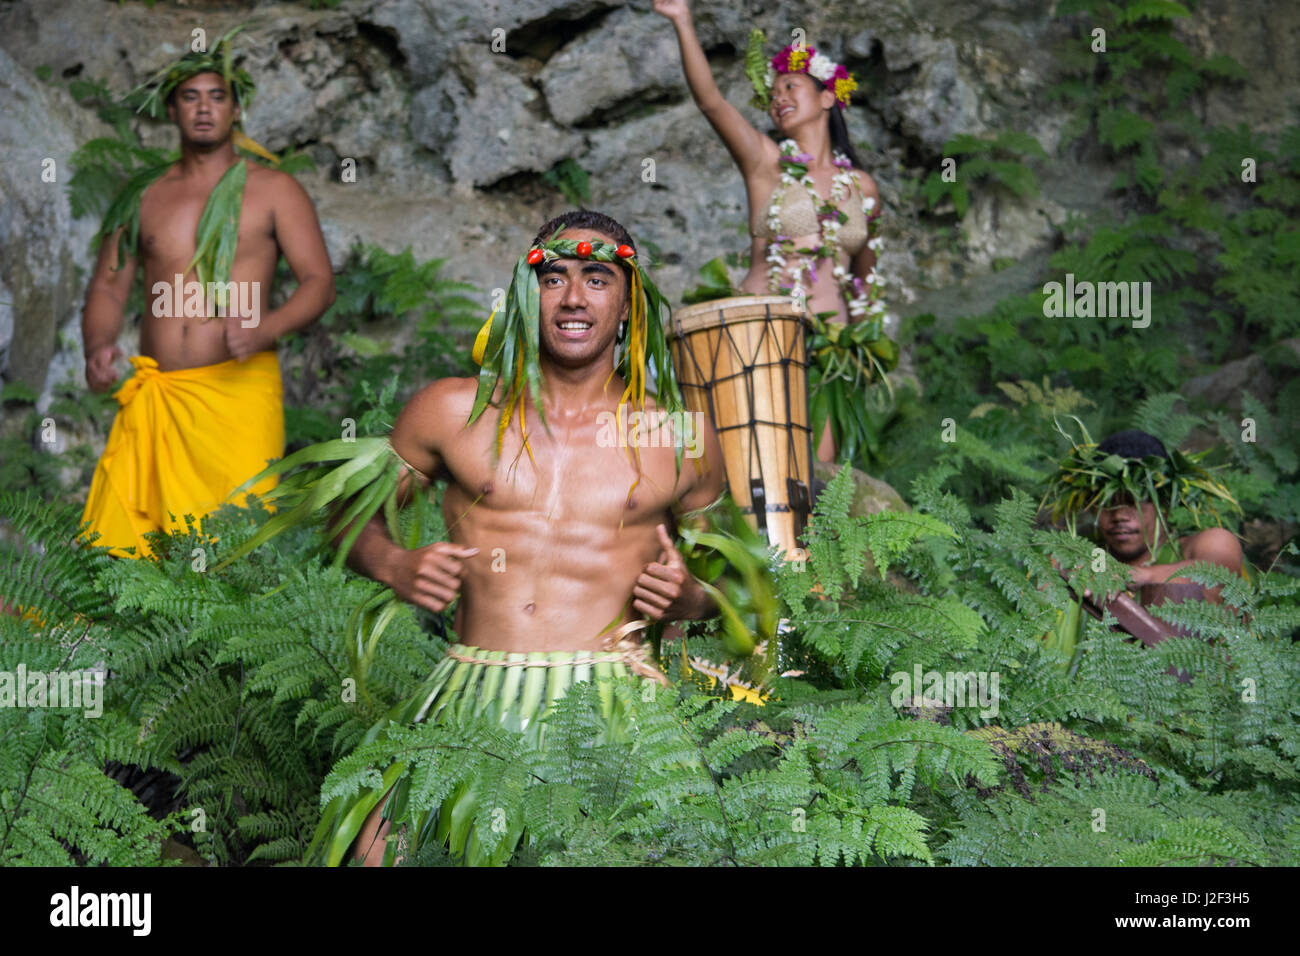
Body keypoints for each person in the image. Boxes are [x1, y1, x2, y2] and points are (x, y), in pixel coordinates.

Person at [328, 210, 727, 865]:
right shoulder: (454, 412)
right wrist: (395, 564)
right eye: (555, 279)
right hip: (475, 690)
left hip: (618, 705)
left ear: (628, 304)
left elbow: (741, 585)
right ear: (524, 295)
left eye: (597, 278)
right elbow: (348, 518)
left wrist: (694, 599)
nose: (573, 298)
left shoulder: (679, 436)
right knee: (376, 857)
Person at [78, 31, 335, 558]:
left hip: (239, 395)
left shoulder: (274, 190)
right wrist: (98, 345)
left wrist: (267, 327)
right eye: (190, 97)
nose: (204, 109)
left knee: (236, 545)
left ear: (236, 109)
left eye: (217, 96)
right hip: (159, 396)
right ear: (171, 109)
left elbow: (319, 283)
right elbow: (108, 282)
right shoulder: (144, 195)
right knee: (129, 557)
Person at [656, 0, 886, 461]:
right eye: (773, 90)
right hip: (756, 334)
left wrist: (865, 349)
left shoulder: (862, 187)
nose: (778, 95)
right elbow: (711, 101)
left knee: (815, 475)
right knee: (749, 465)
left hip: (829, 352)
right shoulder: (765, 163)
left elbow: (864, 277)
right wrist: (682, 20)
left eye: (791, 85)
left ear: (827, 97)